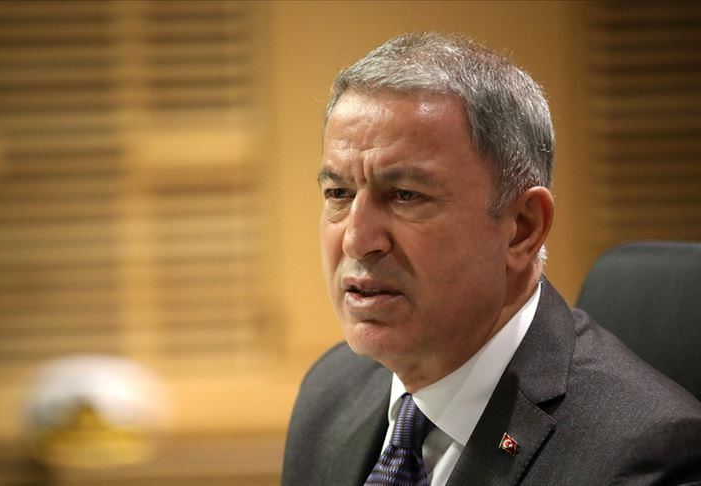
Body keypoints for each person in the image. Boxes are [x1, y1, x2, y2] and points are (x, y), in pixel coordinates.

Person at [281, 32, 701, 486]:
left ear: (522, 228)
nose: (356, 240)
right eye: (339, 193)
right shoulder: (329, 393)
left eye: (405, 195)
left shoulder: (642, 456)